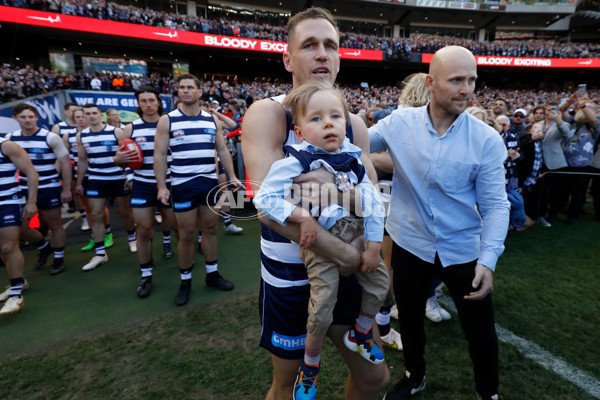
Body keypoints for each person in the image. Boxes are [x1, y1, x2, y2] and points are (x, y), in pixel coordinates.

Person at [242, 7, 389, 400]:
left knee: (375, 379)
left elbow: (373, 199)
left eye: (330, 46)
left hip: (352, 271)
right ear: (288, 59)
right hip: (291, 277)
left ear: (340, 58)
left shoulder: (352, 123)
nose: (322, 54)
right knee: (288, 388)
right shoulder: (268, 113)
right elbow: (268, 207)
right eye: (310, 45)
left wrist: (330, 186)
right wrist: (345, 252)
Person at [369, 46, 510, 400]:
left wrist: (488, 261)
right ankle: (414, 376)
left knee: (481, 332)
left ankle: (488, 392)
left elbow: (495, 206)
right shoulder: (399, 123)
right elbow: (353, 143)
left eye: (472, 80)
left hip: (463, 251)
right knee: (411, 321)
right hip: (409, 244)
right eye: (457, 80)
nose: (467, 89)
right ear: (431, 83)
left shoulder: (486, 140)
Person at [154, 74, 242, 306]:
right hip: (182, 184)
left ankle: (212, 275)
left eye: (190, 87)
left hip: (208, 183)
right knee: (186, 234)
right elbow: (160, 155)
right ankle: (185, 281)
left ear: (199, 92)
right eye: (181, 87)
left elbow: (222, 150)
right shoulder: (168, 120)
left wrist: (232, 176)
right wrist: (162, 186)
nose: (185, 91)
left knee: (211, 229)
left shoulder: (212, 120)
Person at [113, 85, 178, 298]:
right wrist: (118, 160)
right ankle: (146, 274)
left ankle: (183, 262)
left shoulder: (171, 122)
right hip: (143, 184)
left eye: (152, 100)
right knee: (143, 229)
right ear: (138, 104)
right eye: (144, 101)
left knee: (176, 224)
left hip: (171, 183)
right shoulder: (131, 129)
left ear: (159, 102)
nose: (148, 105)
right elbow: (122, 158)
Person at [7, 103, 72, 276]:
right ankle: (44, 247)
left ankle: (58, 258)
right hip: (21, 189)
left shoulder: (50, 137)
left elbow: (65, 163)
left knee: (54, 224)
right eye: (23, 117)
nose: (27, 120)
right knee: (20, 227)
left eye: (31, 117)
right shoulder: (10, 138)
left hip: (48, 187)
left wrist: (66, 188)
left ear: (36, 117)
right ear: (15, 118)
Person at [76, 104, 137, 271]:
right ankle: (100, 253)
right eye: (87, 114)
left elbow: (128, 154)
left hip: (118, 178)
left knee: (125, 212)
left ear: (100, 115)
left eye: (94, 113)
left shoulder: (115, 132)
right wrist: (79, 182)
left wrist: (128, 175)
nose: (91, 116)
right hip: (96, 179)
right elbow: (82, 160)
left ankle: (132, 239)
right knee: (96, 215)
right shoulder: (81, 135)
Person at [0, 136, 38, 315]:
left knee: (9, 247)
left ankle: (16, 295)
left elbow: (31, 172)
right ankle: (19, 281)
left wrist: (31, 202)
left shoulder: (6, 145)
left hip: (7, 201)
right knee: (2, 248)